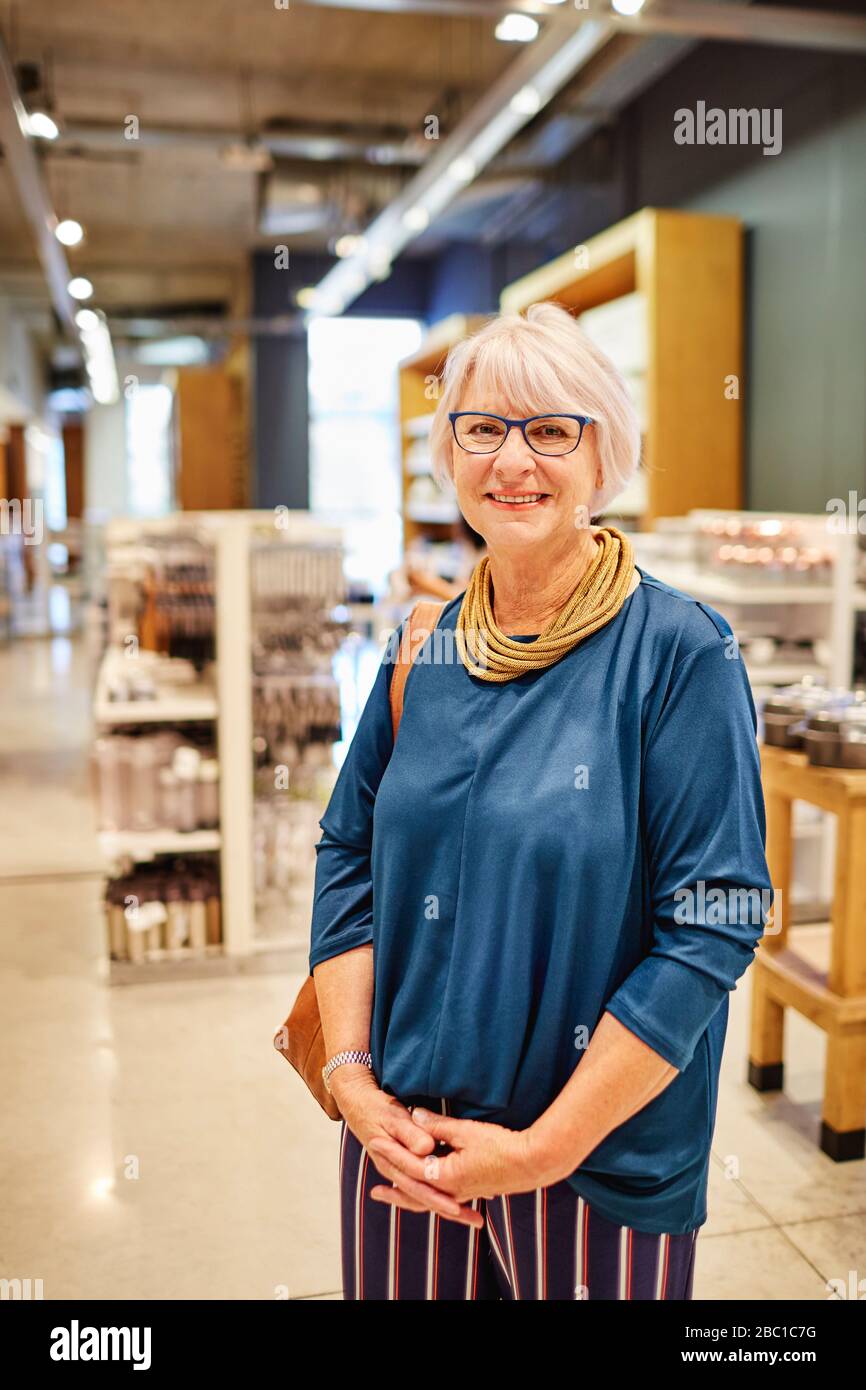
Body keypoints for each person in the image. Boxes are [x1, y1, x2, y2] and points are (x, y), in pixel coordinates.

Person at [309, 301, 771, 1301]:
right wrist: (350, 1081)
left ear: (603, 454)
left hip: (589, 1161)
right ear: (449, 451)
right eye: (483, 427)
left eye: (550, 429)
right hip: (398, 1143)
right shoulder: (420, 647)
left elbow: (710, 925)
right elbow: (347, 851)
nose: (512, 461)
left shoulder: (677, 653)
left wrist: (541, 1150)